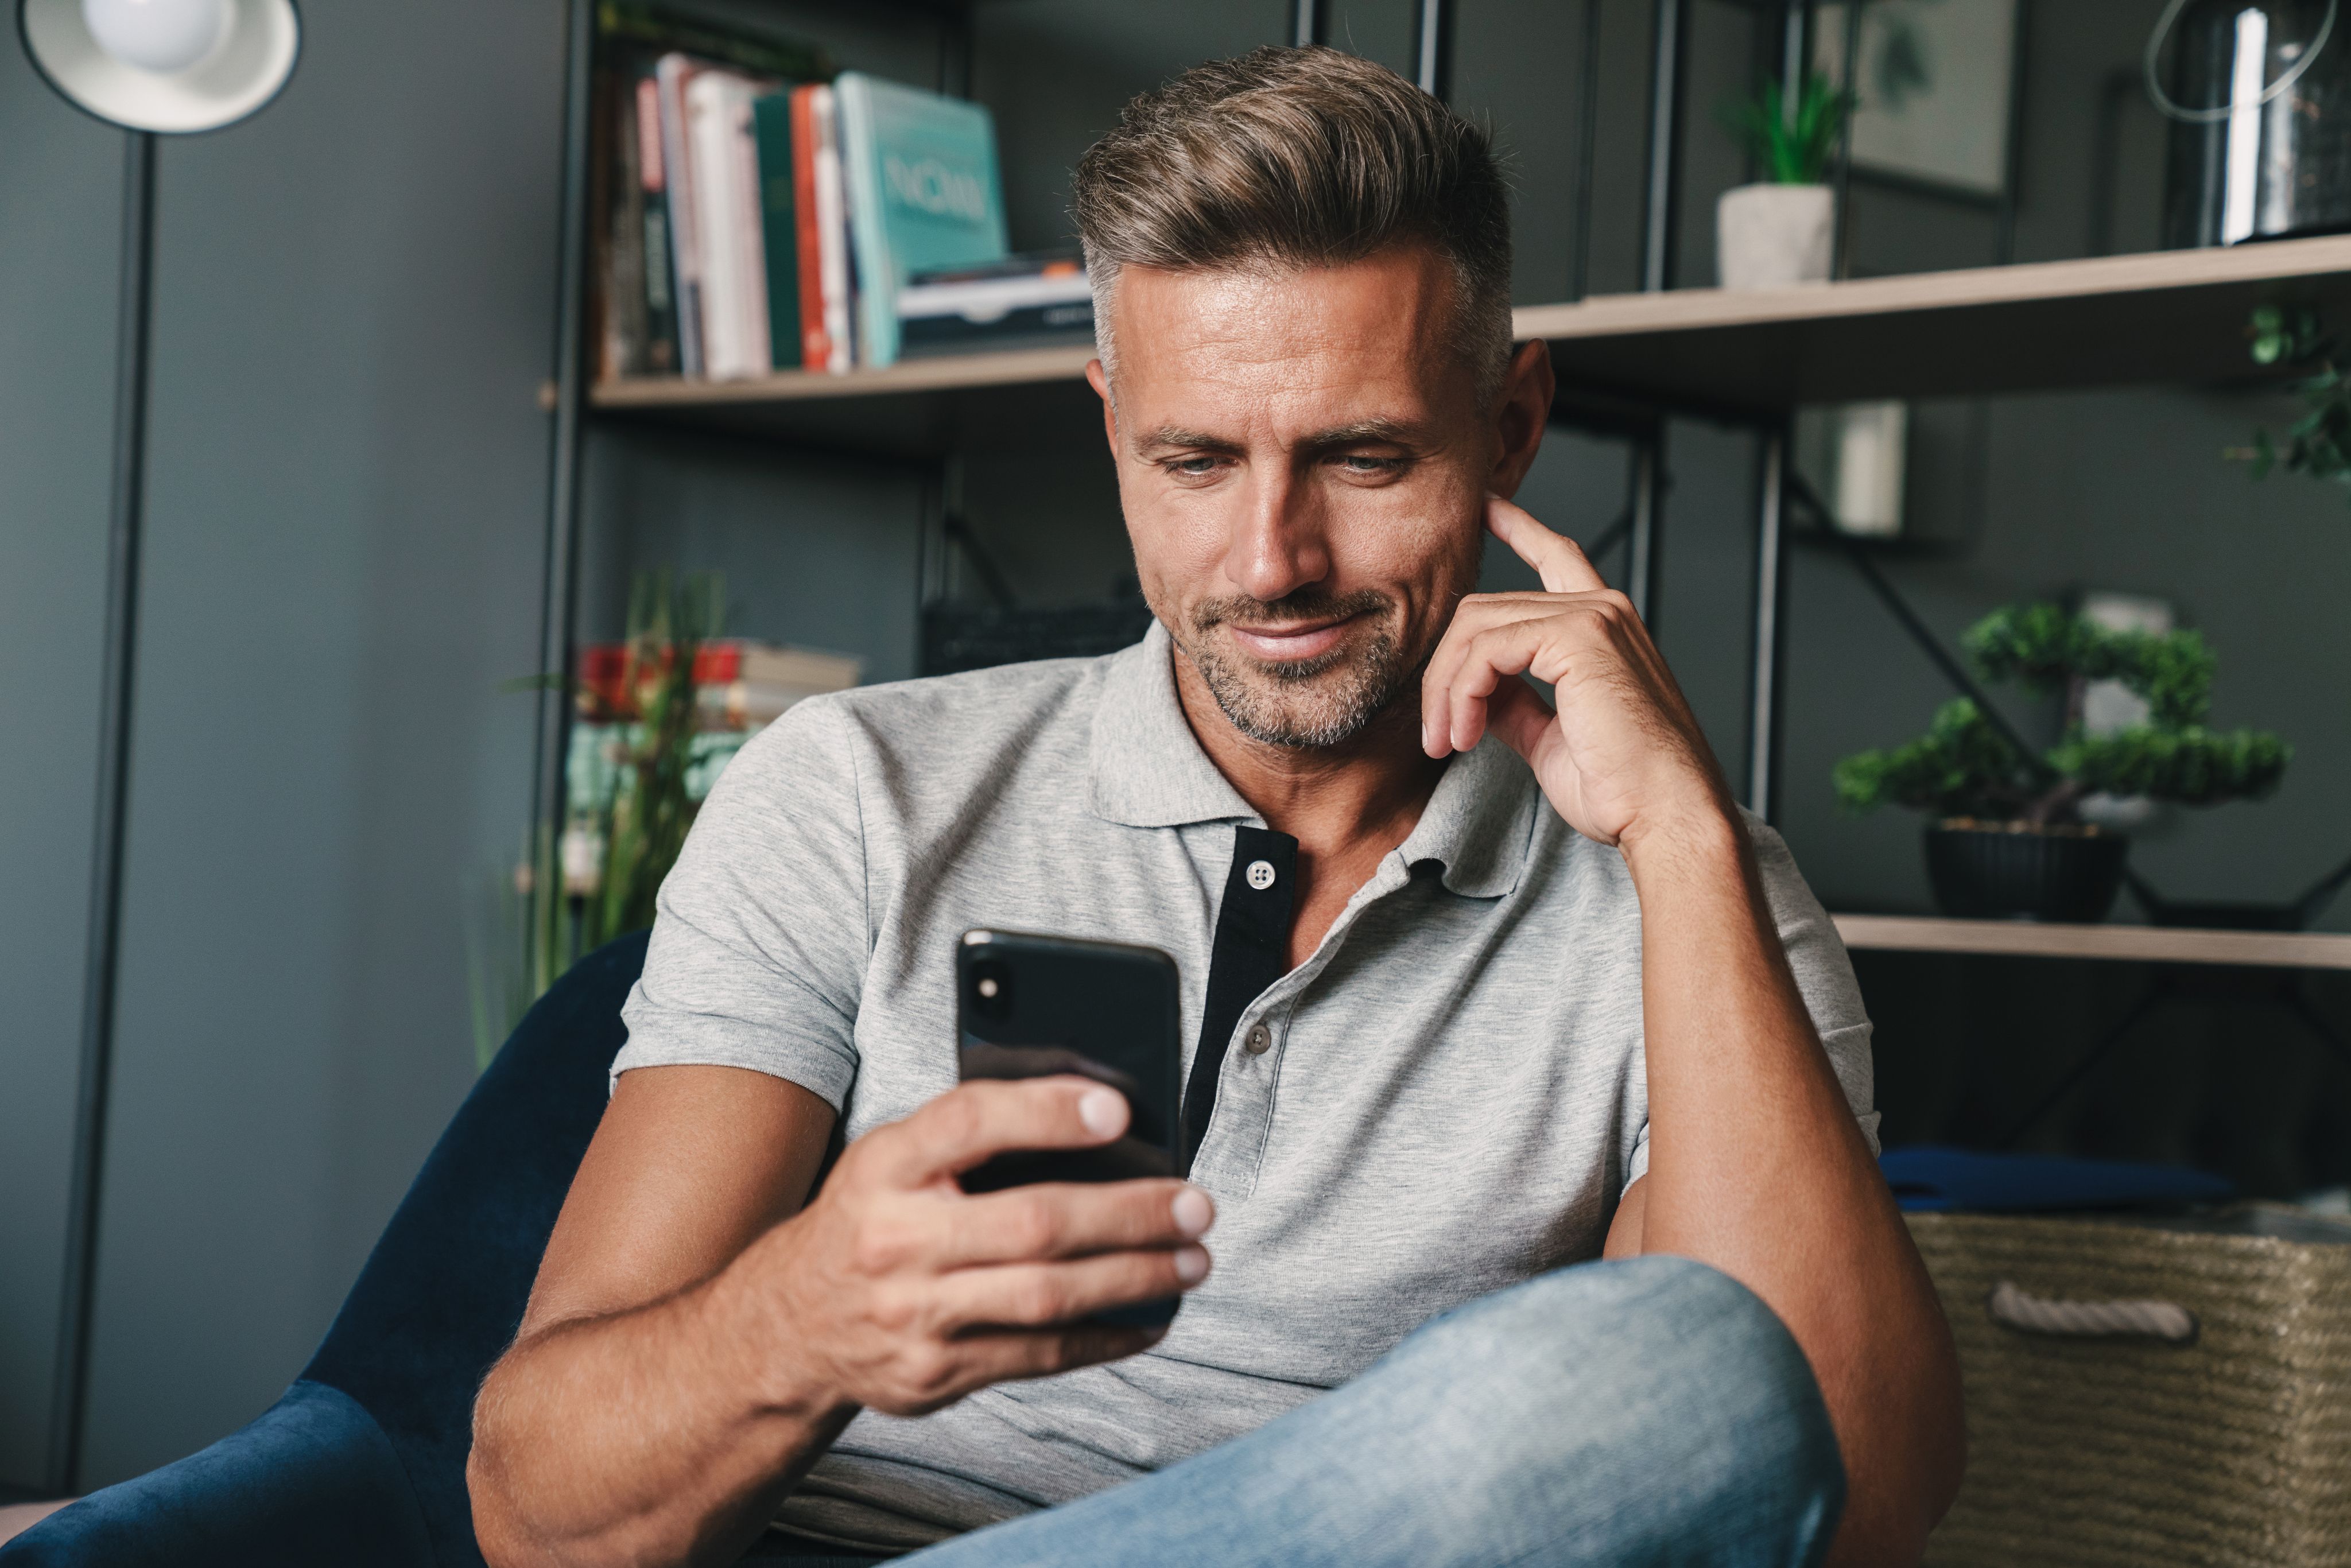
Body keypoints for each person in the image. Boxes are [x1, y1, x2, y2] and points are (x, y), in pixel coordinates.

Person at [468, 45, 1964, 1568]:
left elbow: (1838, 1491)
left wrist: (1689, 848)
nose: (1270, 561)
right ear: (1111, 423)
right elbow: (533, 1510)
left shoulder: (1689, 887)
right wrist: (806, 1317)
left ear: (1511, 426)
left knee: (1679, 1374)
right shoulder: (855, 789)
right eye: (1192, 459)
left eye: (1361, 456)